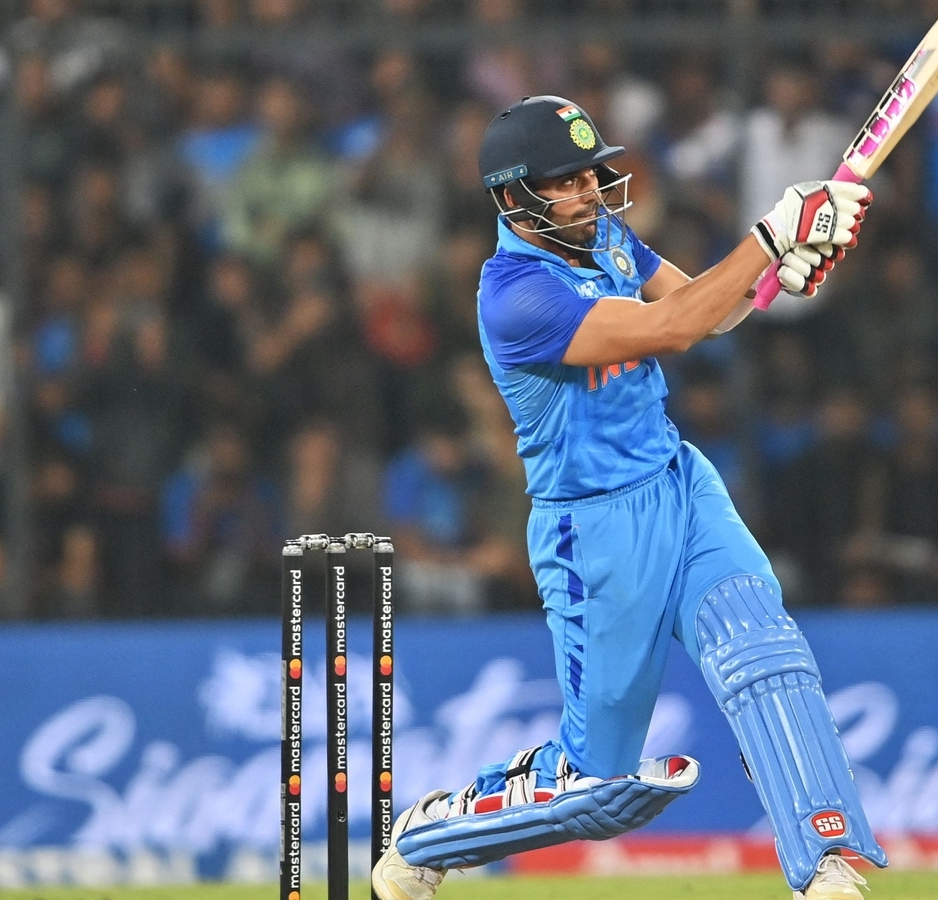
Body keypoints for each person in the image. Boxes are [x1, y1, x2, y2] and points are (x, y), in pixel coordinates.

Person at [370, 96, 880, 900]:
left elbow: (709, 312)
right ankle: (430, 835)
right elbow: (671, 327)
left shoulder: (603, 235)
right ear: (513, 197)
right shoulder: (514, 297)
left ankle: (824, 865)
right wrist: (770, 236)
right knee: (600, 789)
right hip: (594, 536)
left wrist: (779, 271)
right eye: (567, 181)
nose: (590, 192)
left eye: (591, 175)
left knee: (763, 653)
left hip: (679, 485)